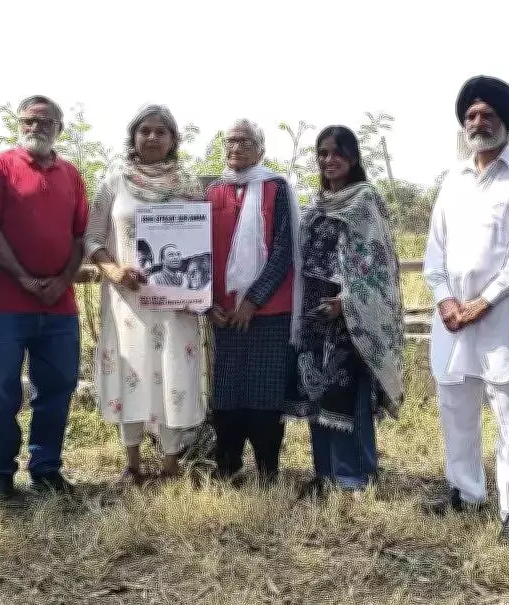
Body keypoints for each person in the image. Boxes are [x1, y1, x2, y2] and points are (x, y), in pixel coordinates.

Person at [422, 75, 509, 546]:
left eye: (488, 114)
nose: (479, 122)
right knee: (454, 402)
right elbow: (435, 250)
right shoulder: (452, 179)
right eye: (471, 115)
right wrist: (445, 299)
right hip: (452, 317)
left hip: (501, 314)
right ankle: (465, 490)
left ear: (506, 121)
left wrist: (483, 302)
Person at [84, 104, 207, 485]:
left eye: (161, 131)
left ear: (173, 140)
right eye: (145, 131)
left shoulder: (189, 185)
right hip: (128, 302)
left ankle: (171, 464)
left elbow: (201, 240)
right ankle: (132, 463)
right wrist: (113, 271)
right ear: (133, 136)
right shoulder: (114, 183)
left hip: (176, 303)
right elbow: (92, 238)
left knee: (174, 371)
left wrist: (197, 289)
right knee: (131, 371)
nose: (152, 137)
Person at [0, 95, 87, 499]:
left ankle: (46, 468)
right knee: (0, 391)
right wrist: (23, 277)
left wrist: (63, 279)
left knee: (57, 388)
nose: (35, 127)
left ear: (59, 128)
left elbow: (81, 236)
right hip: (5, 303)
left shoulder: (71, 174)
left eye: (45, 121)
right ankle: (0, 473)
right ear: (19, 125)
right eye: (28, 120)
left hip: (59, 304)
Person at [292, 125, 404, 496]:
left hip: (349, 316)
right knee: (317, 392)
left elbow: (377, 263)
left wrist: (346, 302)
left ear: (353, 157)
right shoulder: (317, 203)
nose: (329, 160)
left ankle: (354, 478)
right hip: (313, 312)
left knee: (348, 394)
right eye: (323, 153)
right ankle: (325, 473)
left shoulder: (365, 200)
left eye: (337, 152)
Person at [205, 118, 302, 485]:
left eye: (245, 141)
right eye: (231, 141)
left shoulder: (277, 188)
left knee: (265, 395)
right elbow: (198, 253)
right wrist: (207, 303)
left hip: (269, 311)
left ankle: (267, 473)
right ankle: (227, 468)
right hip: (223, 312)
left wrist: (253, 300)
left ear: (261, 150)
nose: (237, 147)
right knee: (226, 395)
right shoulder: (213, 191)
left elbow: (284, 249)